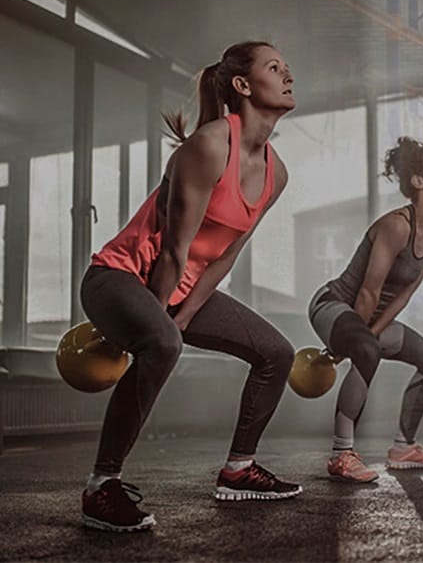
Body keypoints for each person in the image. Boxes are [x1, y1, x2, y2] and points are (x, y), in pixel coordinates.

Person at [79, 41, 300, 532]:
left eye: (287, 68)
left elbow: (226, 255)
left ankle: (239, 469)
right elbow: (173, 253)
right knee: (161, 342)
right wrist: (159, 328)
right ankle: (101, 486)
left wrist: (179, 317)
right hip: (118, 277)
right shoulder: (208, 146)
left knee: (276, 353)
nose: (288, 75)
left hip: (180, 288)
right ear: (243, 86)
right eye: (274, 68)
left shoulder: (275, 173)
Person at [307, 137, 423, 482]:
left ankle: (404, 447)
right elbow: (369, 292)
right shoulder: (395, 226)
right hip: (334, 304)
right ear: (418, 182)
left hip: (367, 320)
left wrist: (367, 336)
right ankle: (342, 455)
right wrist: (359, 341)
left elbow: (403, 295)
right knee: (367, 349)